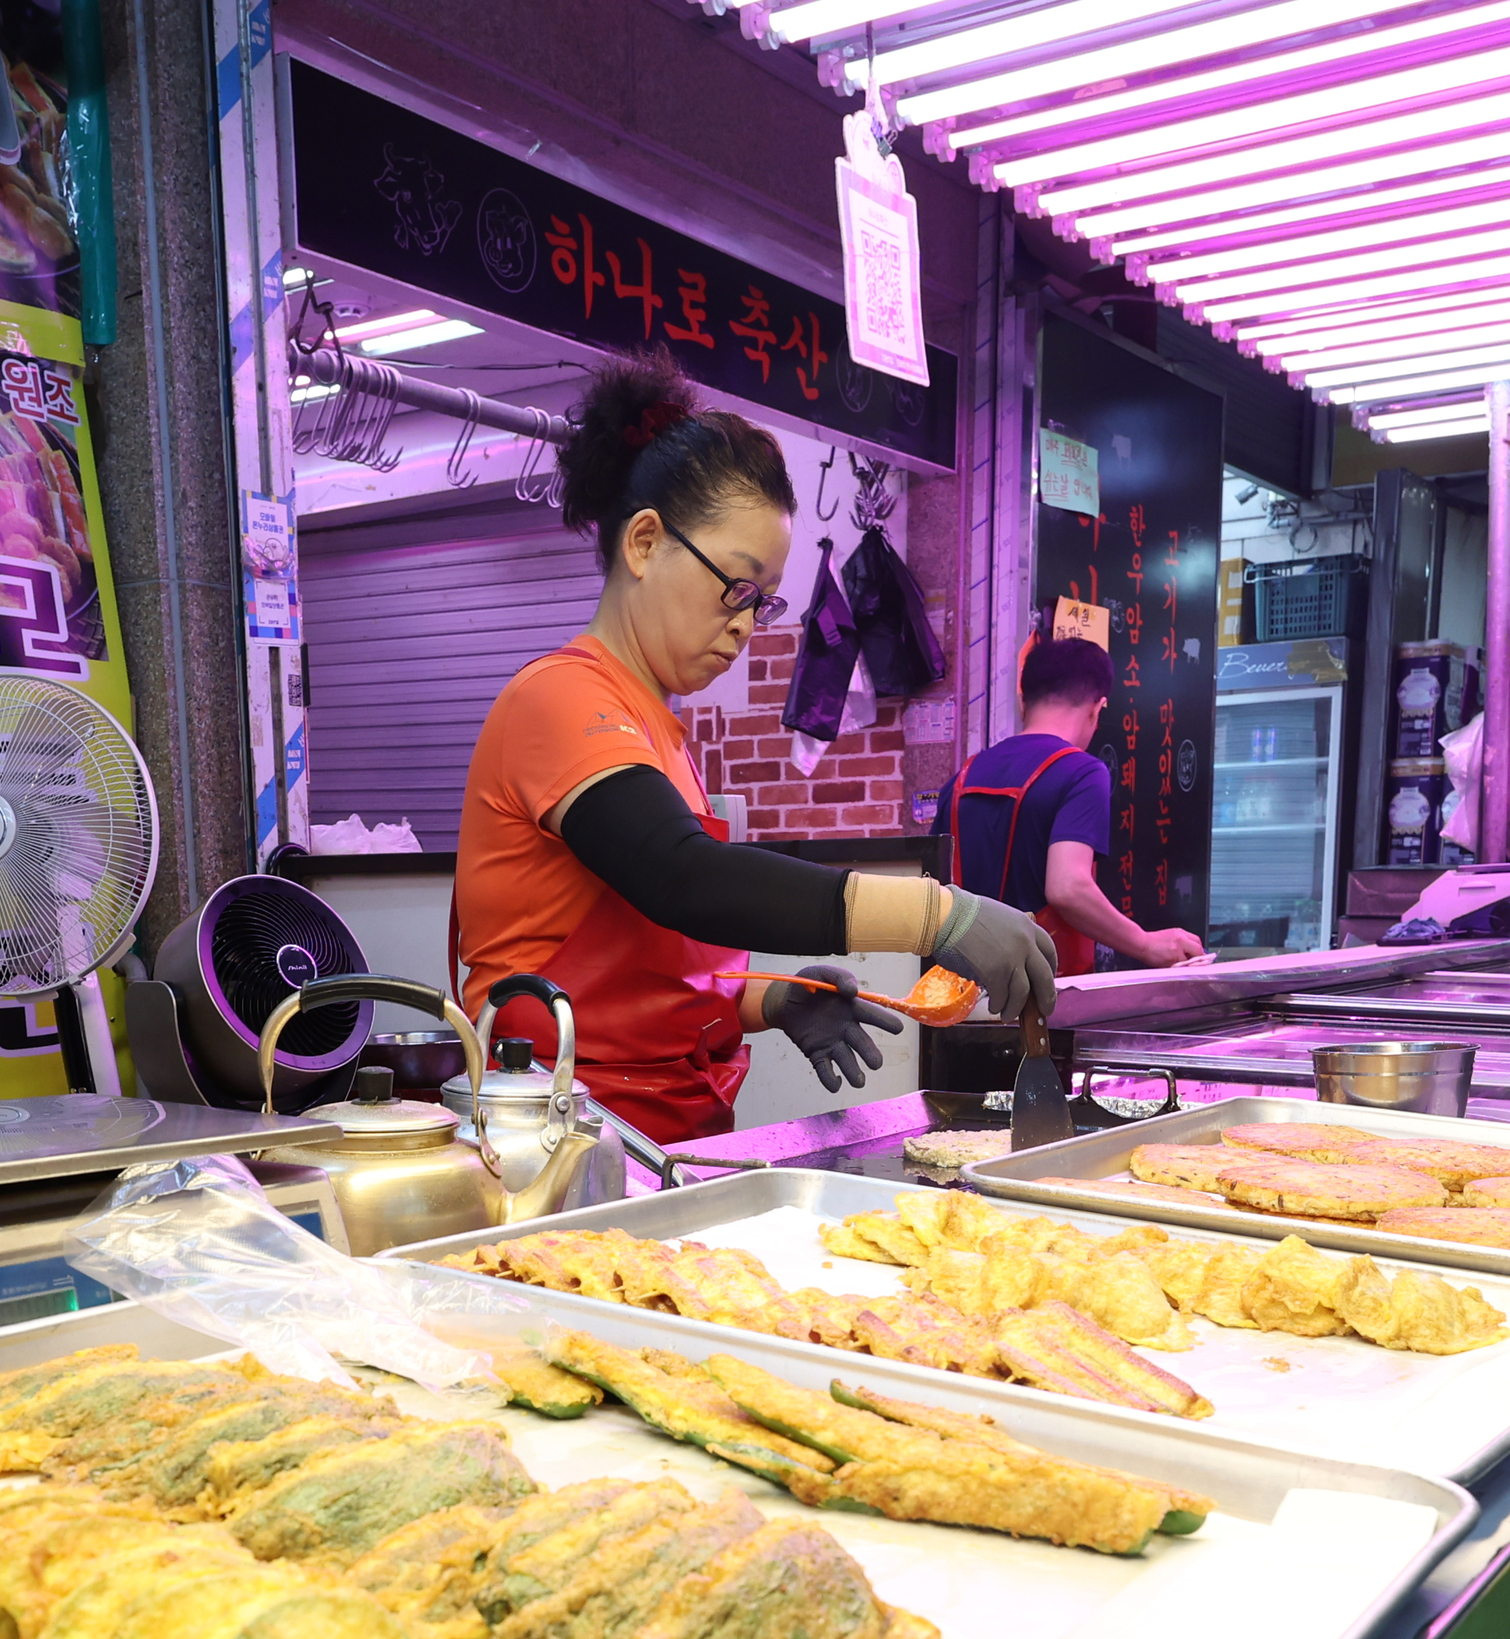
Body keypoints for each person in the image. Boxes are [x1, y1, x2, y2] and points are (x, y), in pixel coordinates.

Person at [452, 356, 1056, 1144]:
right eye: (734, 587)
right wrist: (936, 914)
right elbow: (682, 877)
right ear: (643, 543)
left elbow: (651, 958)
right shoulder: (560, 699)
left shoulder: (657, 730)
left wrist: (770, 1000)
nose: (744, 622)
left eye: (762, 600)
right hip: (564, 1142)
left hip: (662, 1141)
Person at [941, 633, 1207, 976]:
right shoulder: (1081, 771)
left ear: (1023, 701)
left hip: (960, 992)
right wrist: (1145, 943)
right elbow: (1068, 887)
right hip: (1041, 994)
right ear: (1097, 708)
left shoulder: (962, 778)